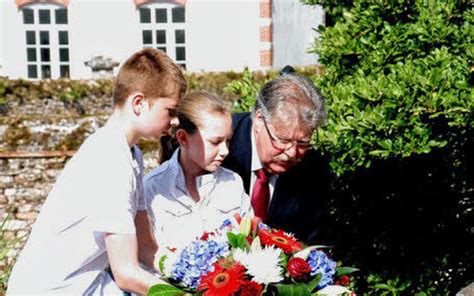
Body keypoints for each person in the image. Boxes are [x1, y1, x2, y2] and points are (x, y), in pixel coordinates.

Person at [7, 48, 186, 295]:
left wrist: (193, 275)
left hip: (87, 284)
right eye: (170, 110)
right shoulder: (109, 158)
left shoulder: (132, 154)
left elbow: (145, 247)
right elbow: (126, 274)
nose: (175, 120)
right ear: (139, 103)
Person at [222, 70, 330, 245]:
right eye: (283, 140)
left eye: (303, 142)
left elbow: (310, 240)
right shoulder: (220, 147)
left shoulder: (314, 167)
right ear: (258, 120)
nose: (292, 153)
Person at [142, 91, 252, 259]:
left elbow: (250, 241)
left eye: (228, 140)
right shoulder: (153, 188)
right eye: (215, 142)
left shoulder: (233, 182)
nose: (225, 151)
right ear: (184, 139)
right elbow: (146, 256)